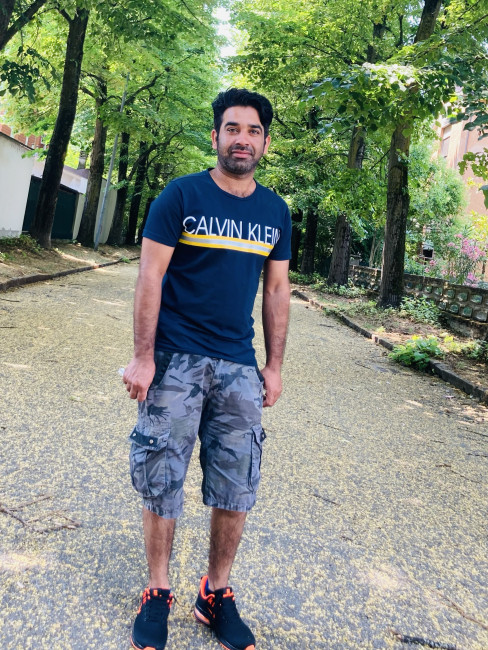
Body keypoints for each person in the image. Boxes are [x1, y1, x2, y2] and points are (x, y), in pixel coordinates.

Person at [123, 87, 291, 650]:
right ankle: (158, 589)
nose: (242, 139)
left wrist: (274, 365)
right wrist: (143, 356)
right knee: (161, 475)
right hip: (175, 360)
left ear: (265, 143)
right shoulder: (181, 195)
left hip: (239, 367)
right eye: (232, 129)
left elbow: (277, 290)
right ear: (216, 135)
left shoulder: (275, 212)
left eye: (253, 131)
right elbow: (150, 276)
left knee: (236, 485)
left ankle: (215, 593)